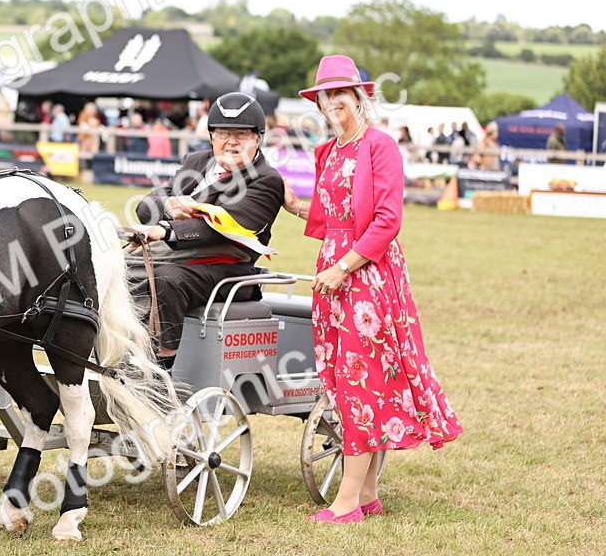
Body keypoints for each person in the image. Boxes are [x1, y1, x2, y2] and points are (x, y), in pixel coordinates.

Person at [281, 55, 462, 523]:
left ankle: (346, 504)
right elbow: (329, 219)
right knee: (346, 381)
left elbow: (387, 221)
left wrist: (343, 268)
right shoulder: (328, 152)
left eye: (340, 94)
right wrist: (294, 204)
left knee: (363, 382)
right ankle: (367, 494)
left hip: (367, 274)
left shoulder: (379, 147)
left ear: (360, 97)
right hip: (332, 273)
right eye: (325, 96)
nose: (332, 102)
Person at [128, 92, 285, 368]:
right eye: (224, 132)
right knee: (110, 268)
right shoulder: (196, 163)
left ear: (258, 138)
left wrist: (165, 230)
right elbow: (146, 205)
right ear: (211, 136)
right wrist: (169, 204)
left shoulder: (267, 180)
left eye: (242, 134)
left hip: (225, 266)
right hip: (171, 254)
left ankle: (159, 374)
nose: (232, 141)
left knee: (167, 280)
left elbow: (224, 227)